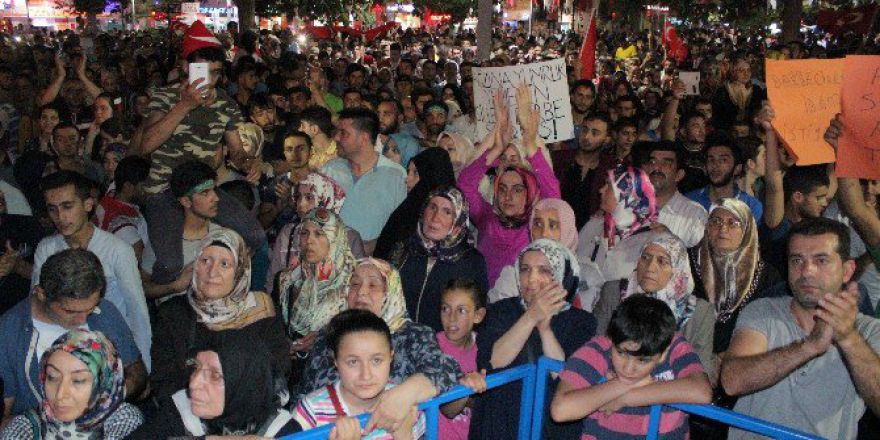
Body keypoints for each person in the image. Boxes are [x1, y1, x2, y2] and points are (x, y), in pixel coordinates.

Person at [721, 218, 880, 440]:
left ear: (847, 271)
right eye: (797, 260)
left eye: (821, 260)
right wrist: (810, 346)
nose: (807, 271)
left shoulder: (870, 330)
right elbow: (732, 382)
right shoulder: (763, 311)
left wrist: (848, 337)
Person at [296, 258, 461, 433]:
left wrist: (404, 394)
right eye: (354, 284)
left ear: (391, 291)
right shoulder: (329, 334)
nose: (361, 293)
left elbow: (446, 370)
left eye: (373, 285)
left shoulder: (414, 334)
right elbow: (308, 391)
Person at [471, 239, 596, 440]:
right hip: (499, 425)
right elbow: (492, 361)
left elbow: (568, 378)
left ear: (562, 274)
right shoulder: (500, 310)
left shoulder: (582, 322)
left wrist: (545, 329)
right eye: (525, 269)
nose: (531, 278)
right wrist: (530, 317)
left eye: (544, 270)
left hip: (551, 429)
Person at [1, 249, 146, 421]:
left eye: (91, 308)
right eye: (70, 311)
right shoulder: (9, 332)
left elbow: (137, 373)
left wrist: (107, 398)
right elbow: (4, 418)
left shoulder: (104, 311)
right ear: (41, 294)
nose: (83, 319)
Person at [32, 171, 151, 371]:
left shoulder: (117, 250)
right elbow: (36, 306)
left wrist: (143, 368)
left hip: (111, 349)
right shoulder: (46, 248)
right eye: (53, 209)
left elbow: (137, 312)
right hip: (63, 351)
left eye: (68, 206)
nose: (60, 217)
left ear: (88, 204)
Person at [149, 228, 289, 399]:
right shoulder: (173, 313)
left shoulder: (261, 311)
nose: (212, 272)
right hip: (190, 412)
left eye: (224, 264)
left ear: (240, 272)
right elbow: (163, 382)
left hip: (248, 413)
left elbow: (276, 373)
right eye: (205, 261)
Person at [551, 295, 712, 439]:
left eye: (642, 361)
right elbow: (560, 410)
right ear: (611, 338)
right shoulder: (600, 348)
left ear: (663, 353)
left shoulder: (674, 345)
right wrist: (620, 384)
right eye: (621, 353)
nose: (628, 369)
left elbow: (702, 391)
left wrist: (625, 398)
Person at [458, 86, 560, 287]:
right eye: (502, 189)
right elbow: (464, 184)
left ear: (530, 192)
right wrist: (496, 147)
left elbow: (553, 196)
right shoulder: (486, 217)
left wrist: (530, 143)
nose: (508, 196)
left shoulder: (536, 223)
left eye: (517, 189)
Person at [131, 334, 300, 438]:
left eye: (215, 375)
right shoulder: (180, 411)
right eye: (196, 367)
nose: (194, 383)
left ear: (246, 386)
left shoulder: (282, 430)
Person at [293, 309, 426, 439]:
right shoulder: (311, 412)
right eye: (353, 362)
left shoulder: (405, 404)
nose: (366, 375)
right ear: (335, 361)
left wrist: (404, 436)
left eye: (376, 360)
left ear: (391, 357)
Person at [688, 199, 781, 383]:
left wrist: (734, 353)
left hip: (739, 367)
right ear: (706, 227)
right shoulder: (686, 262)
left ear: (747, 230)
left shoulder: (767, 276)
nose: (723, 229)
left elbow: (771, 326)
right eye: (715, 221)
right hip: (688, 362)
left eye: (733, 223)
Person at [0, 330, 144, 439]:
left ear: (105, 382)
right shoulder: (28, 425)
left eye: (78, 380)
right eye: (52, 377)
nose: (61, 394)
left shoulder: (123, 419)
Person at [392, 186, 488, 332]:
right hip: (397, 338)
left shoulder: (471, 261)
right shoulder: (404, 249)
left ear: (458, 221)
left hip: (444, 346)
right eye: (432, 207)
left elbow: (475, 316)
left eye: (447, 212)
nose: (435, 217)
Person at [490, 198, 605, 311]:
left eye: (553, 225)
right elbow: (497, 321)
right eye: (537, 224)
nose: (544, 233)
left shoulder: (587, 275)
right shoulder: (514, 276)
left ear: (567, 231)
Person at [321, 108, 407, 255]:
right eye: (337, 132)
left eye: (344, 133)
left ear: (364, 138)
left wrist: (374, 245)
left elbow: (400, 227)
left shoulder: (396, 175)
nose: (336, 138)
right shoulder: (330, 170)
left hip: (372, 266)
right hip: (329, 262)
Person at [278, 208, 356, 363]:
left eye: (319, 234)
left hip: (332, 370)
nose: (309, 241)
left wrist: (323, 341)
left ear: (334, 238)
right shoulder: (288, 279)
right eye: (304, 233)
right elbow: (278, 327)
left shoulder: (353, 285)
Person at [268, 171, 365, 294]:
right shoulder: (288, 233)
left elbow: (357, 284)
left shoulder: (349, 237)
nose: (301, 204)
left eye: (309, 197)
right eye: (298, 197)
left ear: (326, 199)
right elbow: (273, 280)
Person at [577, 165, 659, 284]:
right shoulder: (595, 225)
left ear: (627, 193)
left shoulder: (650, 239)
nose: (601, 190)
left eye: (608, 186)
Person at [373, 147, 456, 260]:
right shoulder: (407, 210)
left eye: (416, 173)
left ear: (431, 176)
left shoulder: (453, 217)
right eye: (408, 172)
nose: (407, 179)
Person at [435, 278, 487, 440]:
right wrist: (467, 389)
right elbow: (447, 409)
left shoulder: (485, 348)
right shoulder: (431, 348)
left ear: (478, 315)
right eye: (445, 309)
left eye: (461, 310)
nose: (451, 318)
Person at [639, 141, 708, 247]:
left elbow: (700, 258)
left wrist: (671, 241)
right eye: (652, 162)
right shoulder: (628, 207)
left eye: (666, 163)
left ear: (679, 175)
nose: (657, 168)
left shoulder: (695, 214)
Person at [557, 113, 611, 229]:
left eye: (595, 133)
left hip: (590, 236)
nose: (587, 136)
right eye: (584, 130)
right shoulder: (559, 159)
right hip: (556, 229)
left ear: (607, 139)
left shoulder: (610, 169)